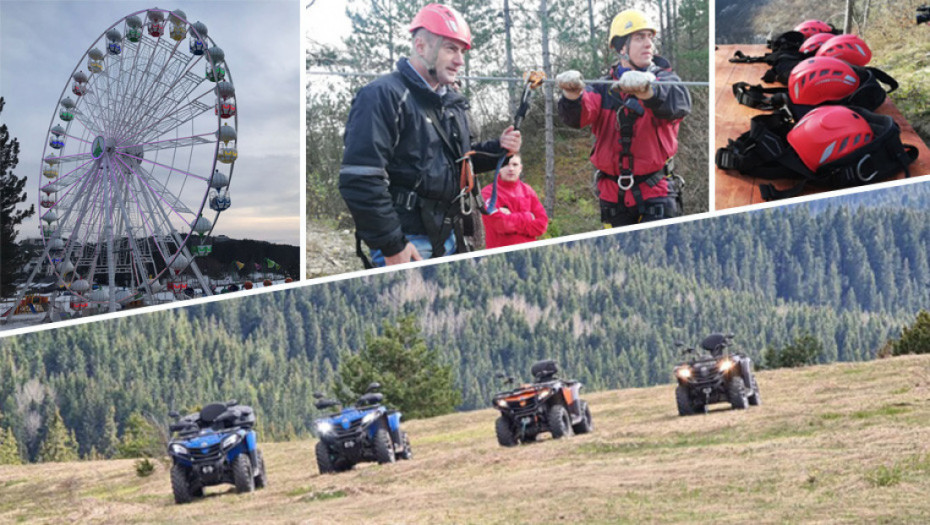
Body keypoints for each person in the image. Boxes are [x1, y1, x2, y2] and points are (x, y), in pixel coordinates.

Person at [339, 4, 521, 267]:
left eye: (462, 51)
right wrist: (393, 246)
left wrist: (499, 149)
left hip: (450, 236)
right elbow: (359, 179)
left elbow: (460, 162)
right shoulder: (383, 96)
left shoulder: (451, 102)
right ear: (421, 46)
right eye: (450, 48)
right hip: (407, 242)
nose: (460, 60)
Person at [556, 9, 691, 227]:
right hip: (613, 195)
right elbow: (579, 115)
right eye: (639, 38)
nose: (649, 44)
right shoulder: (602, 88)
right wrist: (571, 96)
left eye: (650, 37)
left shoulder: (665, 80)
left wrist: (648, 92)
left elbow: (678, 103)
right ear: (621, 48)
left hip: (656, 190)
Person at [480, 154, 548, 248]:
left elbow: (542, 225)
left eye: (515, 164)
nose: (510, 168)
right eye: (506, 165)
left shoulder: (528, 191)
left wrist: (510, 218)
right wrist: (528, 216)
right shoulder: (487, 193)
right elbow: (500, 224)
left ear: (520, 168)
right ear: (498, 167)